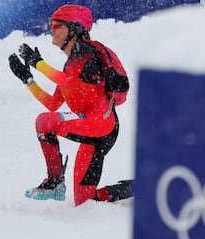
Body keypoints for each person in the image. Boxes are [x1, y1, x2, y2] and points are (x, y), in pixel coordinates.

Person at [8, 4, 133, 206]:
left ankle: (55, 182)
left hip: (101, 124)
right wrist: (28, 80)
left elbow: (66, 82)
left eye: (57, 24)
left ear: (73, 29)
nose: (52, 29)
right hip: (97, 130)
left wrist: (38, 63)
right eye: (52, 24)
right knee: (85, 201)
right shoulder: (71, 65)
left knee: (44, 121)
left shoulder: (84, 51)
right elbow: (53, 103)